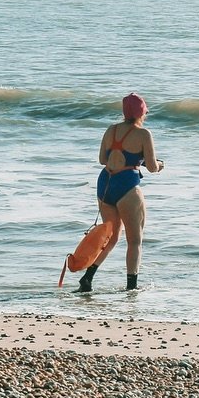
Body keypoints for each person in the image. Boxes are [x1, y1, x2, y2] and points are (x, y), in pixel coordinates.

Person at [79, 93, 164, 292]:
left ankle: (87, 278)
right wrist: (160, 165)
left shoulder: (111, 130)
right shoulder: (144, 134)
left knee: (112, 237)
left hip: (105, 185)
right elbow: (151, 167)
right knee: (135, 240)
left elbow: (102, 159)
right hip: (127, 186)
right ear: (141, 112)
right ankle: (131, 288)